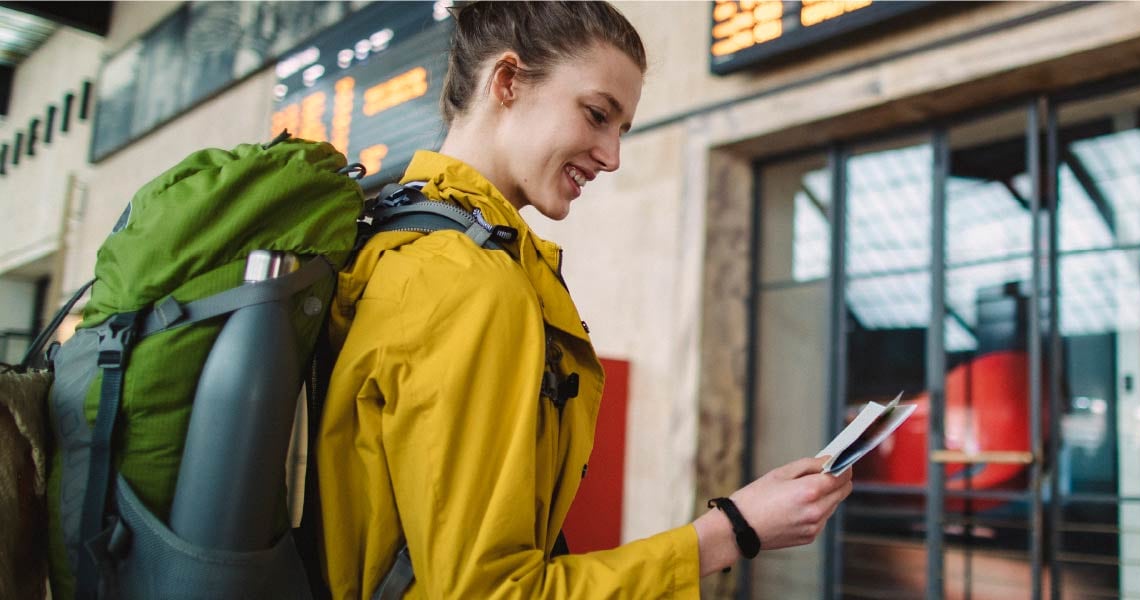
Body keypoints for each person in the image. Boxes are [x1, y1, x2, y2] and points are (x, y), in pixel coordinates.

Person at [315, 2, 853, 598]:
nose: (613, 156)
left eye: (620, 129)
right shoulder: (468, 282)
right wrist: (734, 531)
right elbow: (488, 592)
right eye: (597, 115)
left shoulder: (398, 230)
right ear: (507, 81)